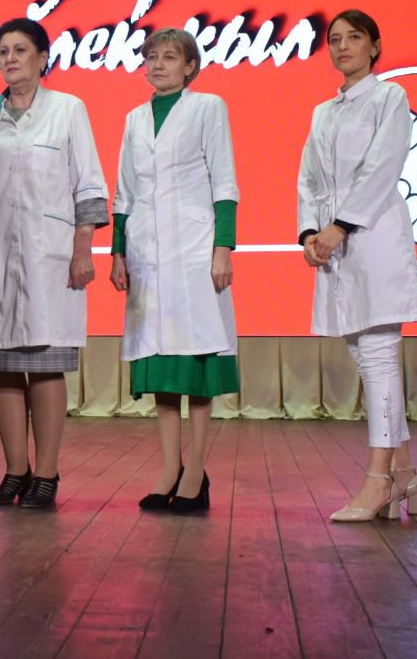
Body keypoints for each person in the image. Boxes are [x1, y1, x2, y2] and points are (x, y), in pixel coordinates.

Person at [0, 18, 107, 509]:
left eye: (20, 50)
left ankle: (48, 474)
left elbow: (88, 187)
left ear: (42, 58)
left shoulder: (68, 110)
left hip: (48, 256)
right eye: (3, 51)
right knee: (3, 365)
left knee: (45, 364)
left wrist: (82, 250)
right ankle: (17, 471)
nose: (10, 58)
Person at [295, 10, 417, 522]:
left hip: (373, 240)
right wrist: (310, 233)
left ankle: (377, 481)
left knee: (378, 358)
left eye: (354, 37)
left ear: (375, 46)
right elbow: (308, 178)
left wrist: (341, 226)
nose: (342, 46)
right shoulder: (322, 112)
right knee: (365, 358)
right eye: (335, 39)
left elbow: (382, 167)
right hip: (334, 246)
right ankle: (405, 474)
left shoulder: (389, 97)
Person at [109, 29, 238, 513]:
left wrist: (222, 247)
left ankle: (196, 471)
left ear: (190, 67)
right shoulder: (134, 119)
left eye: (169, 57)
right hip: (147, 252)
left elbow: (224, 182)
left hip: (193, 249)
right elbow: (124, 192)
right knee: (161, 365)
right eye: (151, 57)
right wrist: (118, 252)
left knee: (195, 363)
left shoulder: (208, 108)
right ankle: (169, 469)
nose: (158, 64)